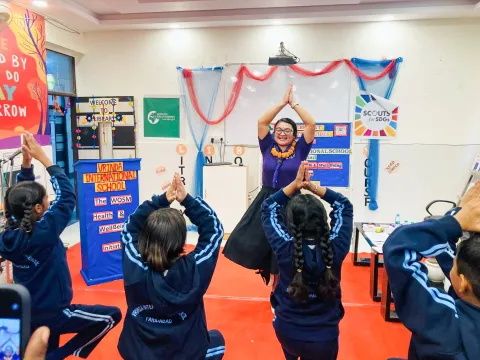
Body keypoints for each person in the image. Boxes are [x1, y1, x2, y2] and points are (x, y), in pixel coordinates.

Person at [0, 132, 122, 360]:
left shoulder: (9, 234)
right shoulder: (43, 232)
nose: (49, 201)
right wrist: (45, 159)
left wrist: (27, 167)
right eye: (46, 198)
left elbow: (20, 200)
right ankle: (60, 355)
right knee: (111, 316)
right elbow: (67, 197)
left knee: (42, 343)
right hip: (55, 312)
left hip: (29, 312)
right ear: (37, 209)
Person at [118, 173, 225, 360]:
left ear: (146, 237)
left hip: (138, 352)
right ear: (181, 240)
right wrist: (188, 201)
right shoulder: (193, 269)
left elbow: (129, 227)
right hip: (185, 353)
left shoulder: (135, 264)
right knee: (217, 341)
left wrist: (160, 201)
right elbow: (214, 229)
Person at [223, 84, 316, 286]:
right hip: (267, 199)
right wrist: (281, 103)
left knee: (286, 247)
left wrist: (293, 104)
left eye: (288, 130)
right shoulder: (267, 146)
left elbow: (310, 124)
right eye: (279, 129)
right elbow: (262, 121)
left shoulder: (300, 149)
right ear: (274, 132)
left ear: (294, 134)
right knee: (259, 242)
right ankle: (275, 285)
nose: (283, 133)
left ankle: (282, 288)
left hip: (292, 202)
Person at [261, 161, 353, 360]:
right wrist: (312, 187)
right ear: (323, 219)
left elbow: (268, 207)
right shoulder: (336, 245)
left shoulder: (285, 247)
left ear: (291, 222)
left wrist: (294, 185)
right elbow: (344, 206)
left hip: (287, 332)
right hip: (324, 337)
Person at [383, 181, 480, 360]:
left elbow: (397, 249)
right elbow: (452, 259)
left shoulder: (443, 320)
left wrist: (456, 220)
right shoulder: (465, 302)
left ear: (464, 282)